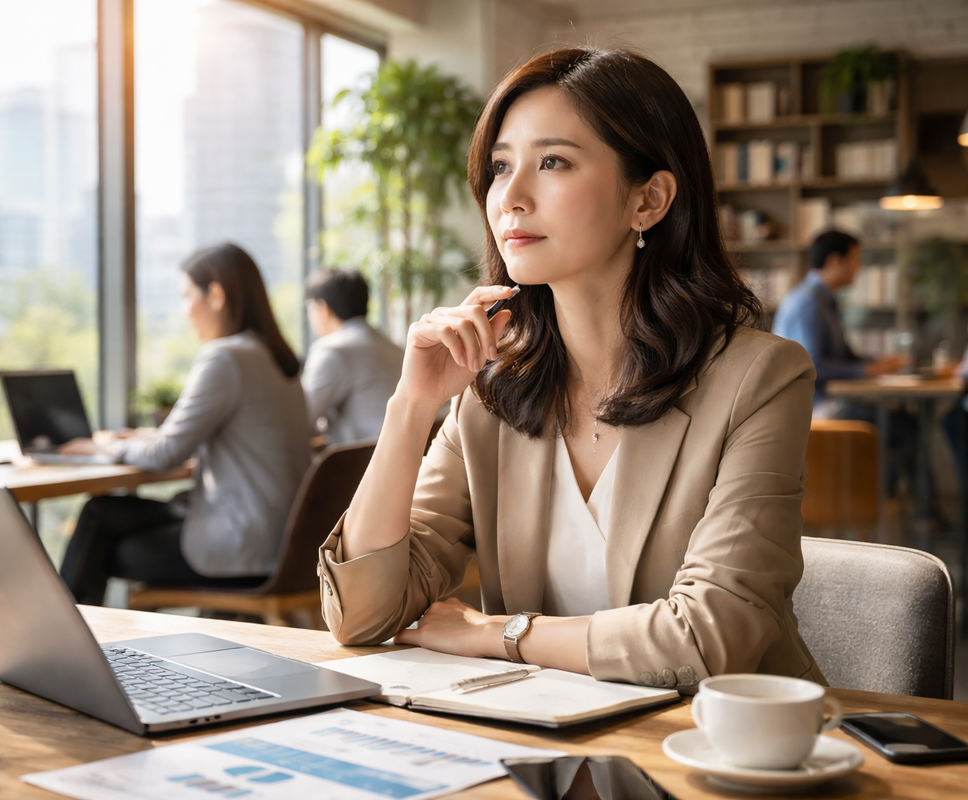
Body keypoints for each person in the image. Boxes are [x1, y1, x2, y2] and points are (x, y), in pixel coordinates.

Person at [316, 46, 827, 693]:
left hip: (719, 755)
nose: (512, 198)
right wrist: (410, 408)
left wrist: (495, 634)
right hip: (551, 748)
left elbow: (710, 638)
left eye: (552, 161)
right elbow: (362, 615)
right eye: (501, 167)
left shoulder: (760, 378)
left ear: (649, 200)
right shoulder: (493, 390)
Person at [59, 243, 312, 605]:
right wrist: (142, 437)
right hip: (284, 545)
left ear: (217, 294)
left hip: (242, 549)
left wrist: (102, 446)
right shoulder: (276, 358)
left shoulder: (225, 356)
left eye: (186, 296)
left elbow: (166, 453)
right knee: (103, 513)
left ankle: (67, 649)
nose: (183, 311)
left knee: (101, 534)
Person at [772, 230, 908, 418]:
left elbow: (843, 356)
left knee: (900, 417)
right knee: (904, 424)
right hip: (812, 406)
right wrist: (868, 370)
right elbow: (813, 366)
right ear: (834, 261)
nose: (858, 268)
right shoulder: (808, 302)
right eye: (855, 259)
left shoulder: (824, 299)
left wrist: (877, 362)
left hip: (828, 398)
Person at [303, 268, 404, 444]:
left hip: (361, 466)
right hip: (410, 460)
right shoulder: (394, 347)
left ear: (322, 309)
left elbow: (300, 418)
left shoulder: (331, 351)